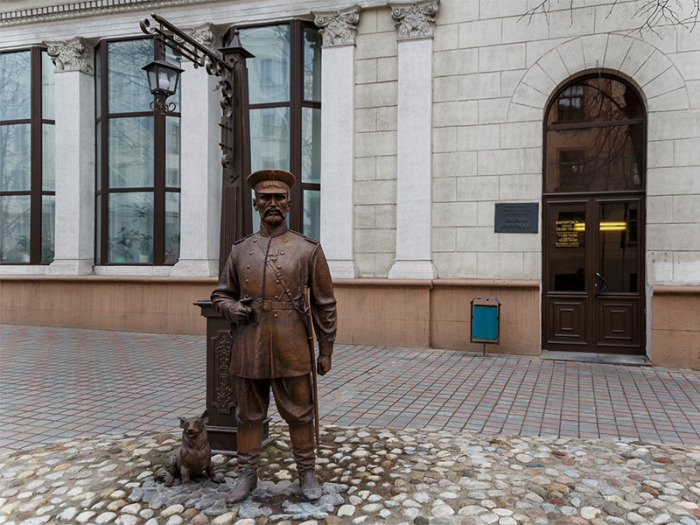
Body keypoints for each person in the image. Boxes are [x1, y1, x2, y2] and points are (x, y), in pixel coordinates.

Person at [211, 169, 337, 503]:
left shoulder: (307, 249)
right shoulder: (240, 250)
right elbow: (220, 294)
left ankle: (307, 473)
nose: (272, 204)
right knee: (248, 414)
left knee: (300, 412)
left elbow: (325, 303)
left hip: (292, 344)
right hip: (249, 344)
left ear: (290, 203)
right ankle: (246, 475)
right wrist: (231, 308)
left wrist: (326, 350)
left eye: (279, 197)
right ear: (255, 204)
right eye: (265, 198)